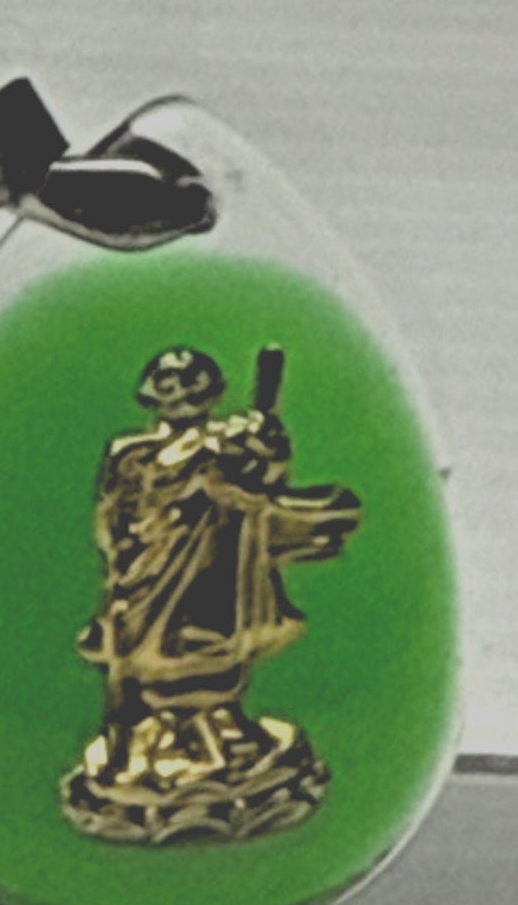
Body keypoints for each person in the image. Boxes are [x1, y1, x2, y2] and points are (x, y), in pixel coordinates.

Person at [62, 346, 360, 844]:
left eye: (191, 382)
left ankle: (215, 733)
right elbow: (110, 513)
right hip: (145, 571)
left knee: (203, 648)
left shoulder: (220, 449)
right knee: (135, 657)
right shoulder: (131, 452)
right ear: (152, 393)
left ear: (211, 391)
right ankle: (138, 749)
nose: (180, 393)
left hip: (204, 570)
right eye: (169, 383)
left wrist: (270, 452)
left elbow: (254, 491)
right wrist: (125, 559)